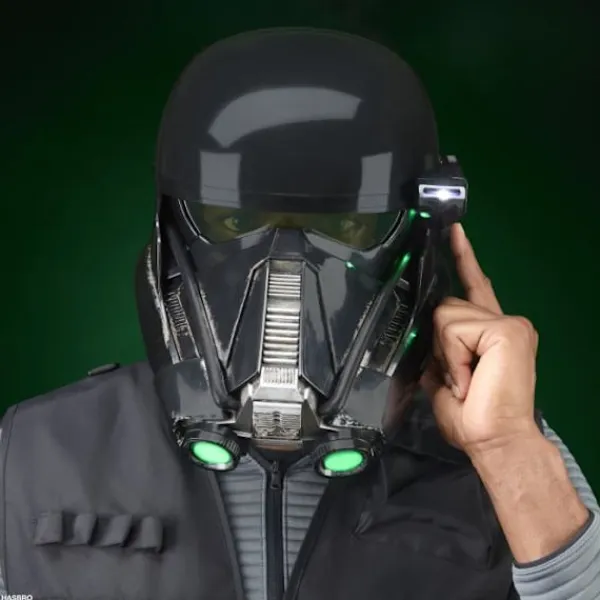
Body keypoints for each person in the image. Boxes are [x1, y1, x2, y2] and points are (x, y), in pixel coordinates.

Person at [0, 28, 598, 600]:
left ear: (428, 240)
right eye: (237, 221)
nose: (285, 274)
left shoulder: (508, 457)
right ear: (170, 233)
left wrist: (505, 448)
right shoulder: (33, 451)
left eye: (344, 226)